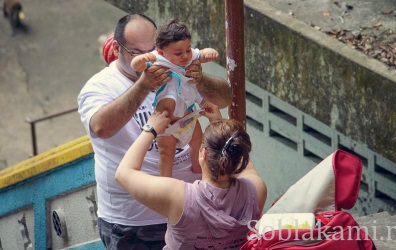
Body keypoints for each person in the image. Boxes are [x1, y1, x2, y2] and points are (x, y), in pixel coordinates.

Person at [77, 13, 232, 249]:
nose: (151, 60)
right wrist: (144, 85)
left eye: (154, 50)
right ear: (119, 49)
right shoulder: (100, 86)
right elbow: (101, 128)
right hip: (137, 220)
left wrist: (201, 80)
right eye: (139, 54)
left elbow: (224, 98)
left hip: (190, 208)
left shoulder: (177, 64)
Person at [115, 103, 268, 249]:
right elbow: (242, 161)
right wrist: (219, 123)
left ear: (203, 155)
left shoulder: (180, 198)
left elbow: (123, 173)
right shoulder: (256, 191)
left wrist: (150, 129)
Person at [131, 18, 220, 178]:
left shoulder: (190, 56)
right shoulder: (157, 59)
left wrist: (210, 53)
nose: (185, 55)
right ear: (160, 51)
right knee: (166, 155)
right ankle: (166, 182)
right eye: (178, 53)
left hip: (189, 120)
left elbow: (202, 54)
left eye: (187, 49)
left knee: (199, 147)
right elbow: (136, 65)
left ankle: (199, 173)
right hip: (167, 126)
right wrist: (141, 60)